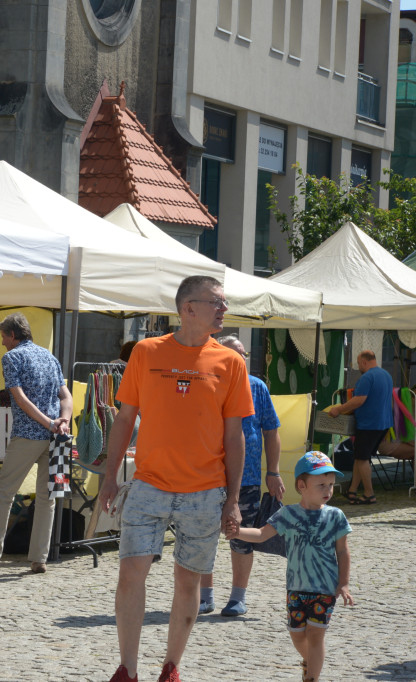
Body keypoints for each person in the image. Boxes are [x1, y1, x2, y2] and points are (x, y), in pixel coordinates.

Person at [99, 275, 253, 682]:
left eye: (224, 302)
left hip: (205, 493)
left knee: (188, 583)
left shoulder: (231, 362)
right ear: (188, 308)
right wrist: (110, 477)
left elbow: (234, 436)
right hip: (148, 486)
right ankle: (127, 669)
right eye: (216, 302)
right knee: (130, 575)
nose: (224, 309)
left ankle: (171, 667)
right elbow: (125, 418)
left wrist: (232, 499)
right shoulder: (146, 352)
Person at [229, 451, 353, 682]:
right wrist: (237, 532)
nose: (328, 490)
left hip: (325, 589)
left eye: (331, 485)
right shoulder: (288, 514)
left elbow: (343, 552)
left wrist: (344, 583)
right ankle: (310, 662)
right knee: (297, 635)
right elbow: (261, 534)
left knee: (315, 636)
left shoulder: (336, 516)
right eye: (321, 485)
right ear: (301, 486)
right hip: (295, 588)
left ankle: (312, 677)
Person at [0, 312, 73, 574]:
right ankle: (39, 558)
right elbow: (66, 396)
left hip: (28, 435)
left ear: (12, 335)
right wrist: (63, 421)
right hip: (55, 437)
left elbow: (21, 400)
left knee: (4, 493)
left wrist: (50, 423)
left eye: (3, 336)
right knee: (47, 497)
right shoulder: (50, 357)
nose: (2, 342)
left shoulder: (12, 357)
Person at [199, 334, 285, 617]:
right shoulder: (207, 384)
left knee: (241, 537)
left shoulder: (256, 387)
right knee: (203, 537)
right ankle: (205, 596)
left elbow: (271, 431)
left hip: (246, 479)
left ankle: (238, 597)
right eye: (233, 355)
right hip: (208, 476)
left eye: (242, 355)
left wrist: (273, 471)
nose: (240, 360)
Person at [329, 349, 392, 505]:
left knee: (362, 459)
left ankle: (369, 494)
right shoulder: (386, 375)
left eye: (358, 363)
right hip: (383, 424)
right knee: (360, 457)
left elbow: (359, 400)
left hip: (369, 425)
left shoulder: (367, 377)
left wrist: (339, 409)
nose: (358, 367)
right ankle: (352, 491)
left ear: (364, 361)